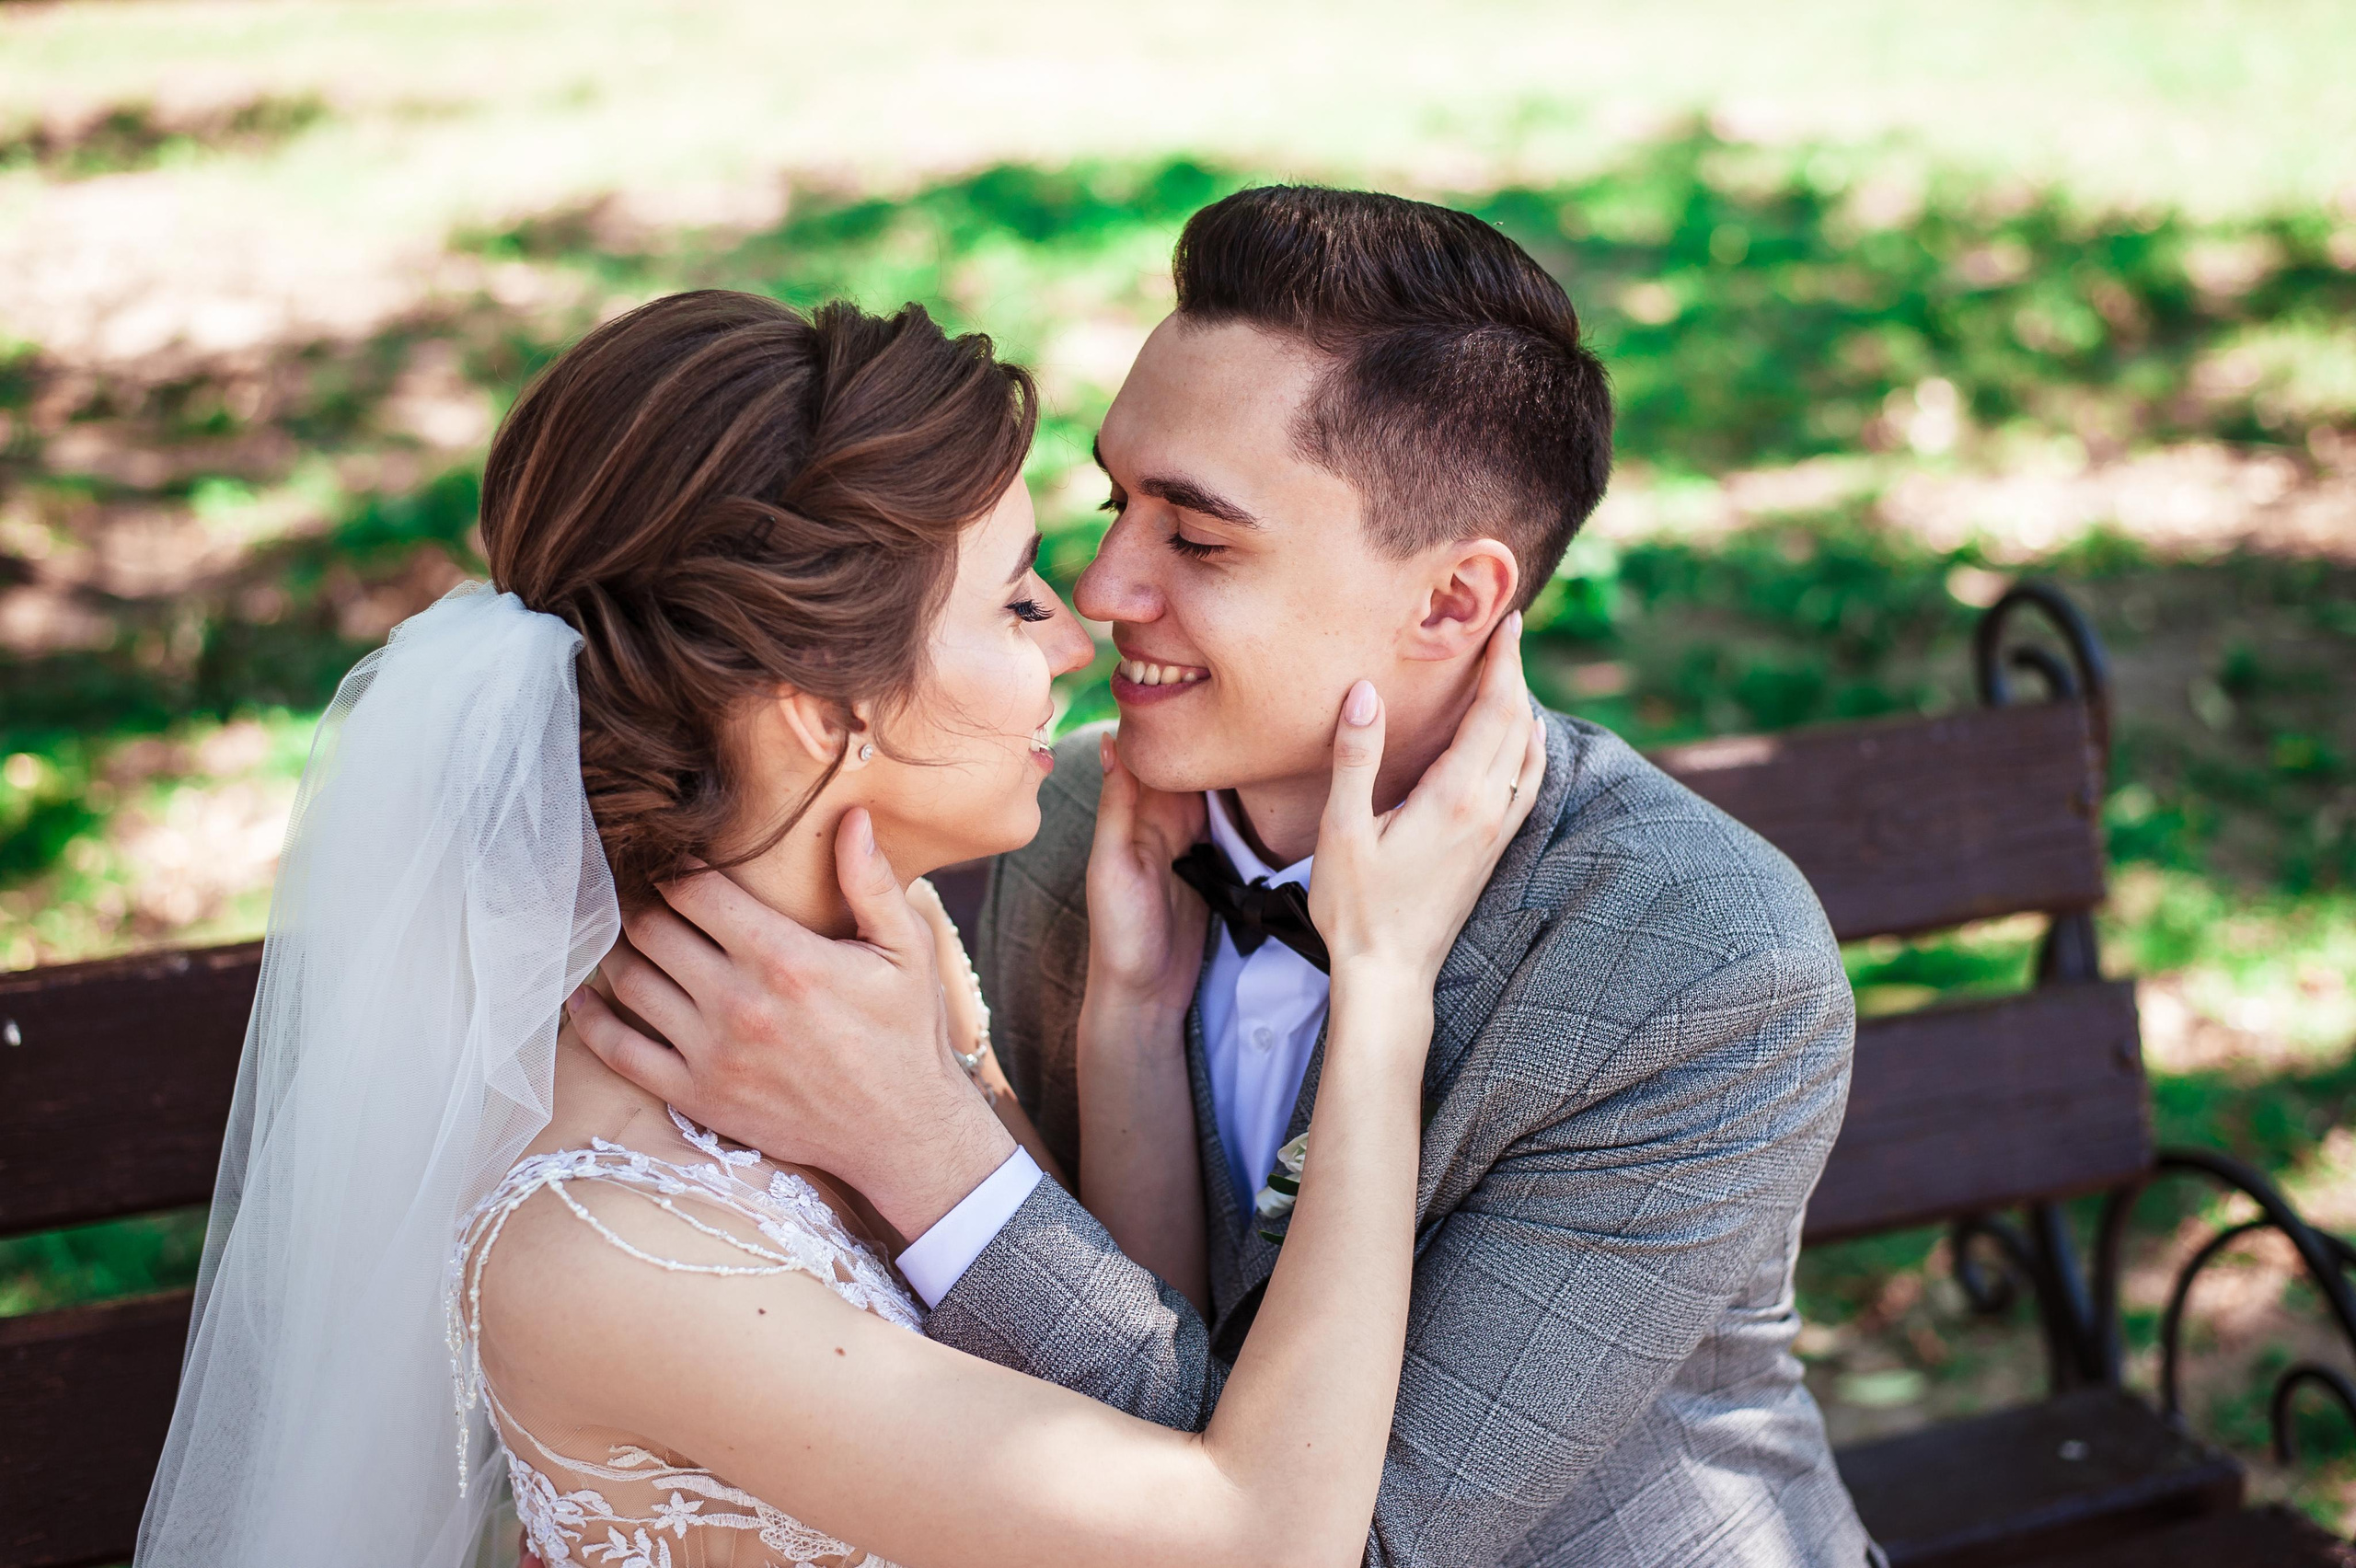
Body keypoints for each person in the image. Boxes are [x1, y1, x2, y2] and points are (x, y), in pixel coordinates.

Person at [133, 289, 1545, 1567]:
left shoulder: (877, 962)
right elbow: (1261, 1544)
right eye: (1016, 600)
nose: (1078, 636)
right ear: (825, 708)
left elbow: (1131, 1382)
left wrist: (1131, 1004)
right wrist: (1381, 983)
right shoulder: (601, 1241)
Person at [576, 189, 1882, 1567]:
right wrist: (1131, 1033)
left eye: (1197, 540)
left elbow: (1358, 1544)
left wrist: (922, 1142)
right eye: (1114, 502)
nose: (1102, 589)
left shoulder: (1698, 970)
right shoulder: (1069, 819)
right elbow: (1124, 1372)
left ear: (1451, 601)